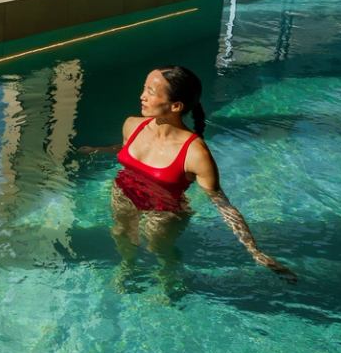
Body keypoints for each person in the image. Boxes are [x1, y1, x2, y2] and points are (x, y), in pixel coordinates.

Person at [111, 65, 296, 283]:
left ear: (176, 105)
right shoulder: (132, 125)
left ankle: (169, 277)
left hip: (165, 211)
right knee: (121, 234)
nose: (142, 96)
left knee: (157, 248)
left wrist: (255, 251)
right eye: (144, 89)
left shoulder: (194, 152)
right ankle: (128, 264)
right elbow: (126, 154)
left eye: (151, 92)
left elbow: (223, 204)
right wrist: (97, 150)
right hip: (124, 194)